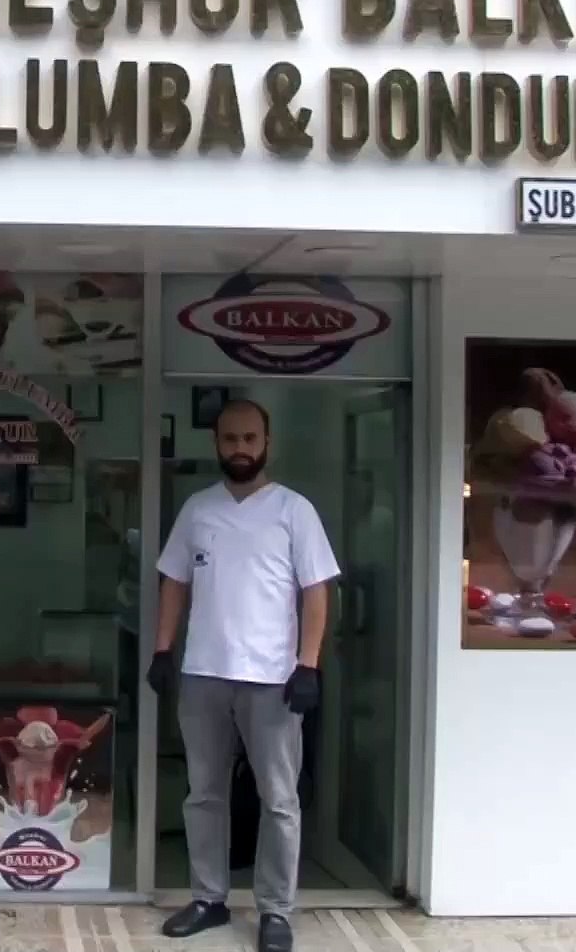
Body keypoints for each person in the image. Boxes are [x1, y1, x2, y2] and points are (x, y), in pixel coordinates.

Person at [151, 399, 339, 952]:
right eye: (230, 438)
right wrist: (162, 650)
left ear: (267, 443)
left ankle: (275, 910)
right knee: (204, 794)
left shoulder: (294, 511)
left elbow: (316, 592)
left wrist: (309, 665)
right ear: (217, 443)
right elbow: (174, 582)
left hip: (273, 678)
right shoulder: (197, 509)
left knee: (278, 798)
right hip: (204, 674)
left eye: (250, 438)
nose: (240, 448)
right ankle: (208, 898)